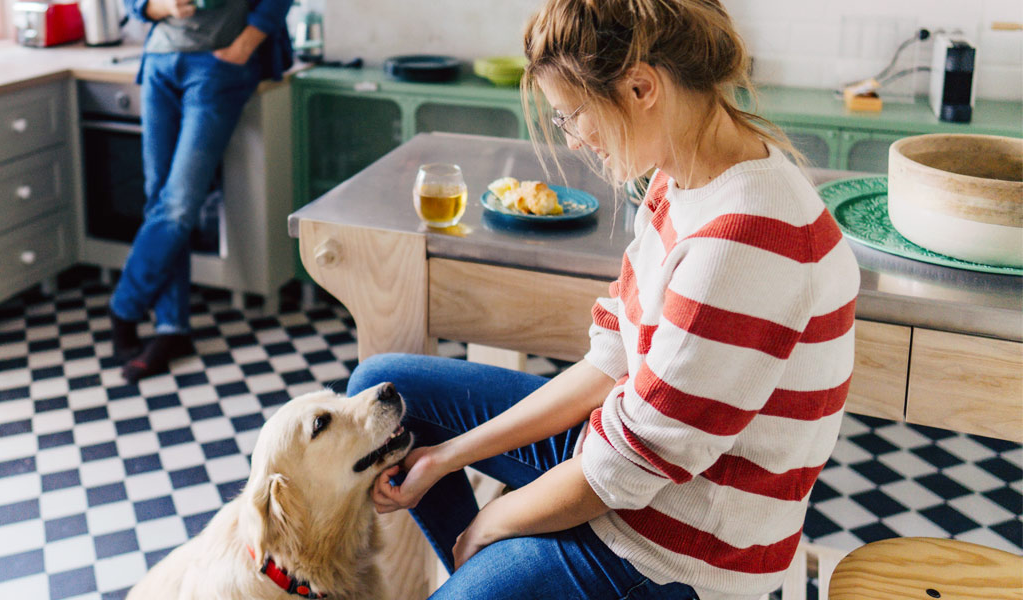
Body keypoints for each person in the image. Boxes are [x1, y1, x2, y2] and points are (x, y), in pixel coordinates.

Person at [347, 0, 860, 598]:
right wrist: (448, 456)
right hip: (635, 469)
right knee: (386, 394)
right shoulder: (682, 176)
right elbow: (613, 357)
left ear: (642, 87)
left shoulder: (744, 241)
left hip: (677, 549)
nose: (576, 139)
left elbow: (625, 468)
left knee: (482, 551)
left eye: (572, 115)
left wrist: (492, 522)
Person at [112, 0, 292, 383]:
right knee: (160, 201)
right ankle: (172, 330)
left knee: (177, 204)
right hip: (159, 62)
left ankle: (125, 307)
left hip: (217, 65)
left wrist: (244, 45)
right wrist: (159, 6)